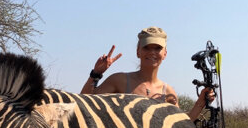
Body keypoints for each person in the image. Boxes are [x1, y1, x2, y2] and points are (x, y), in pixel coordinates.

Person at [80, 26, 215, 121]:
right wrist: (96, 74)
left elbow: (181, 123)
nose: (152, 52)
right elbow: (84, 105)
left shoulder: (167, 91)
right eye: (147, 47)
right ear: (138, 51)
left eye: (157, 48)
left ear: (165, 53)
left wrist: (200, 102)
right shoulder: (119, 80)